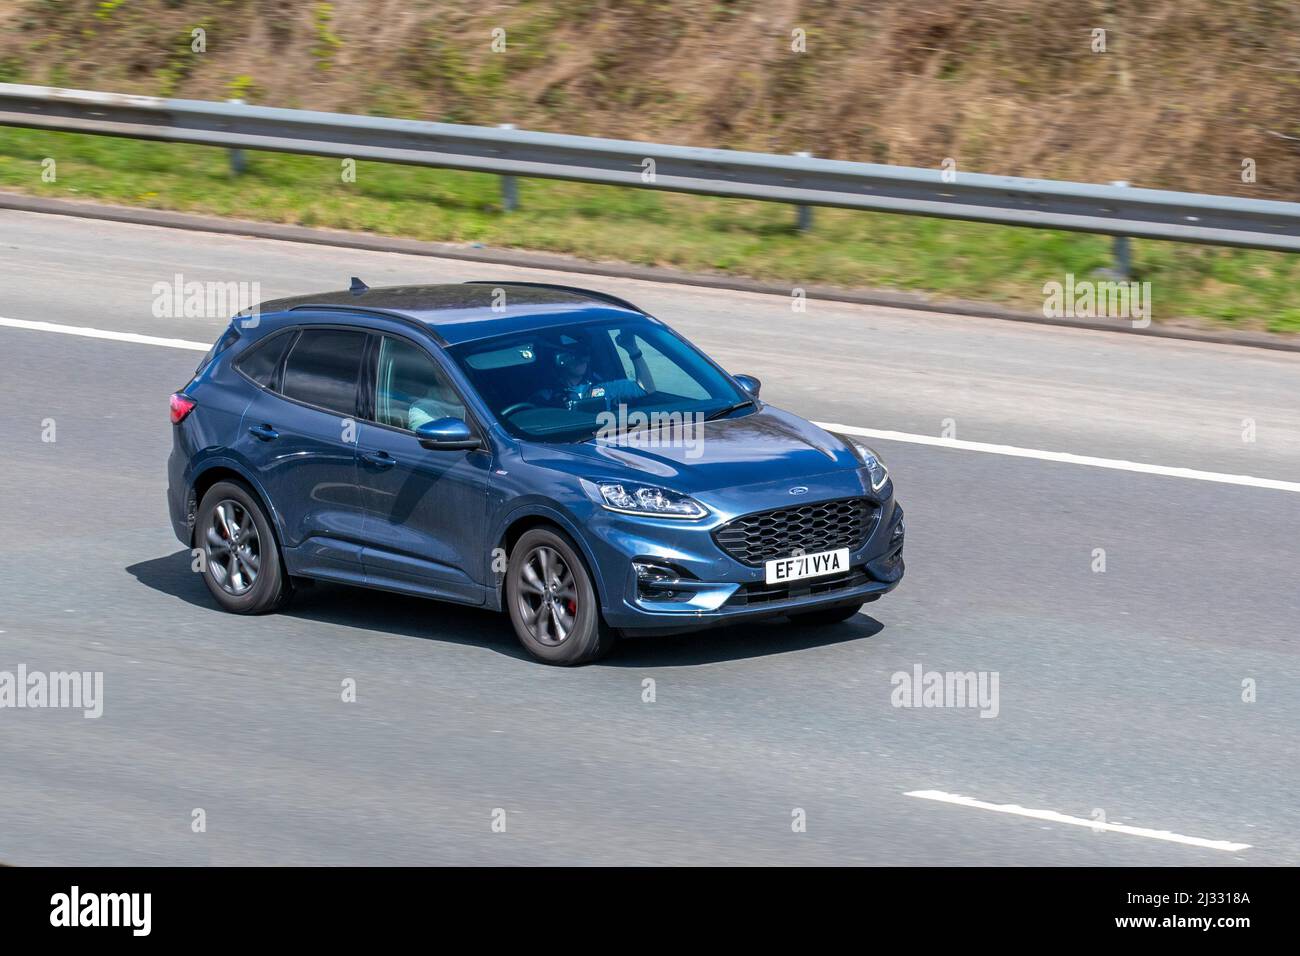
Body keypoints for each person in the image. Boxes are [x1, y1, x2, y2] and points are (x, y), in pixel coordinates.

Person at [530, 335, 655, 410]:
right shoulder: (545, 396)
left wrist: (633, 351)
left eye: (583, 353)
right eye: (571, 354)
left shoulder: (604, 388)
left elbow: (646, 388)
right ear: (559, 359)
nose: (581, 359)